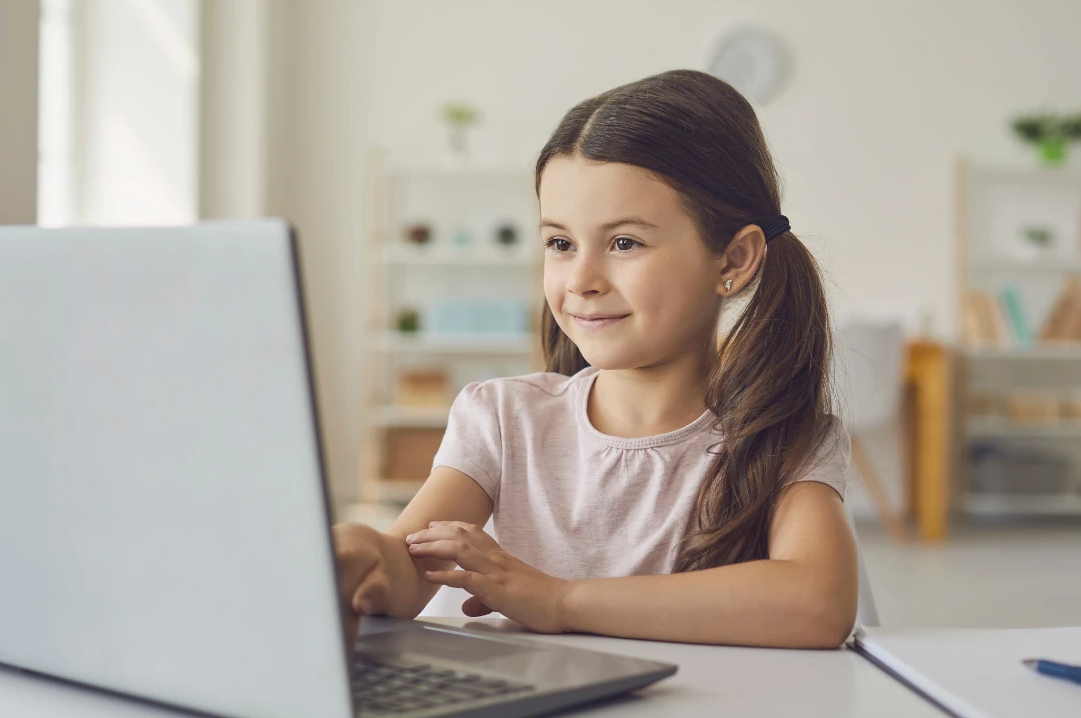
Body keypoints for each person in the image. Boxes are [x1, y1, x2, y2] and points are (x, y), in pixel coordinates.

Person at [334, 69, 857, 649]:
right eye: (560, 244)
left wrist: (558, 601)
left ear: (733, 258)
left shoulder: (783, 436)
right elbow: (406, 570)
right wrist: (361, 553)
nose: (581, 279)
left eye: (624, 242)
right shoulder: (502, 419)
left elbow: (816, 604)